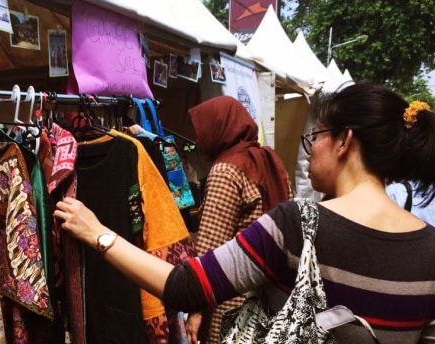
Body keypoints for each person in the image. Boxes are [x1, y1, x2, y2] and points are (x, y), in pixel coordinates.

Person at [54, 83, 435, 343]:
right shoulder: (429, 248)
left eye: (315, 136)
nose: (309, 149)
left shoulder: (299, 225)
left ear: (344, 141)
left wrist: (98, 234)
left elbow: (186, 286)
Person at [184, 96, 292, 344]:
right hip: (273, 296)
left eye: (203, 131)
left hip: (233, 300)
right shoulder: (271, 161)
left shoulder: (226, 170)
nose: (199, 142)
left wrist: (195, 310)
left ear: (219, 128)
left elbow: (210, 247)